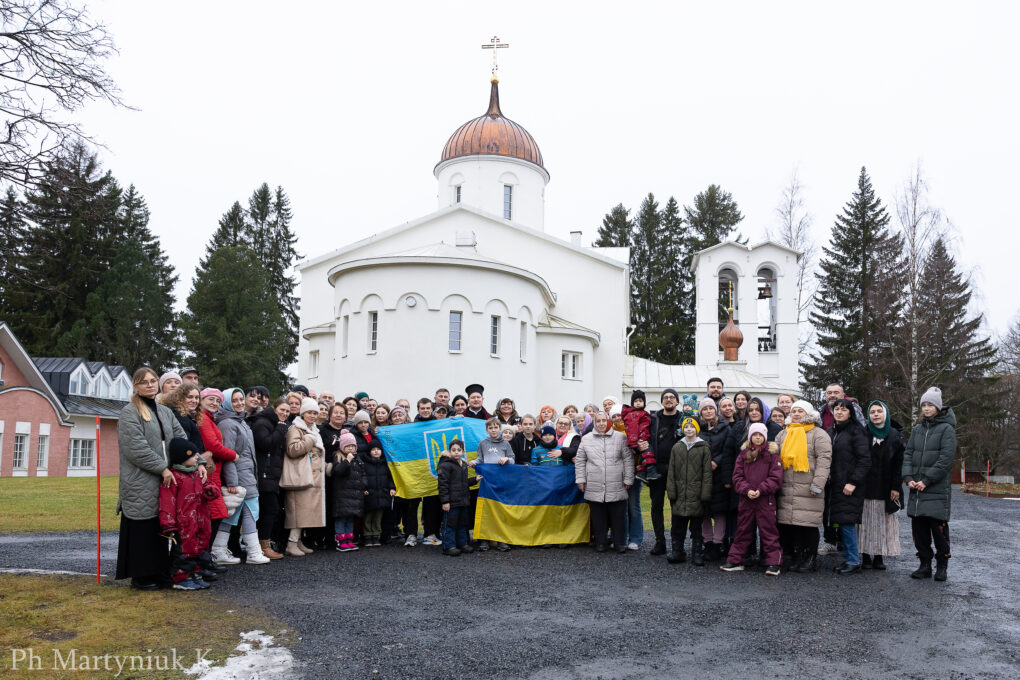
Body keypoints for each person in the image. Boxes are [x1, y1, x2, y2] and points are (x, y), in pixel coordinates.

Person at [116, 367, 193, 590]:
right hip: (140, 479)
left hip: (164, 478)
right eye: (144, 382)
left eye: (153, 380)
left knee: (161, 525)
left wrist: (192, 460)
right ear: (135, 386)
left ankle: (159, 571)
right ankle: (141, 575)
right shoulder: (129, 412)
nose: (150, 385)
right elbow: (135, 448)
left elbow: (180, 439)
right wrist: (162, 468)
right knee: (142, 527)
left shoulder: (165, 412)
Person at [903, 387, 956, 582]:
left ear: (938, 407)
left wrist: (926, 480)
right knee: (919, 530)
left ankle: (942, 565)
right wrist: (908, 478)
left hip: (935, 488)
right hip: (916, 487)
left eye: (930, 405)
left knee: (938, 530)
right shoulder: (917, 430)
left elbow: (945, 460)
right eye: (924, 405)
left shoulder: (947, 430)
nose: (926, 408)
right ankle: (924, 564)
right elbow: (908, 454)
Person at [775, 400, 832, 573]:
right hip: (786, 486)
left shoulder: (819, 434)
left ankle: (810, 558)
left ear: (809, 414)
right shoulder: (783, 434)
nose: (797, 414)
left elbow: (824, 461)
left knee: (807, 525)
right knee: (789, 525)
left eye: (801, 411)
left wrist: (818, 484)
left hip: (808, 487)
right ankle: (795, 556)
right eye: (794, 411)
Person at [214, 389, 269, 565]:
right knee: (248, 513)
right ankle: (252, 552)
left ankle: (219, 550)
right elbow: (229, 454)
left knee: (237, 513)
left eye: (241, 399)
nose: (239, 403)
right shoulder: (228, 424)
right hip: (239, 476)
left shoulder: (240, 421)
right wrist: (232, 481)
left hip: (247, 474)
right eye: (235, 400)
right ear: (228, 402)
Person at [720, 423, 783, 576]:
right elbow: (737, 476)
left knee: (768, 532)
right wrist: (746, 490)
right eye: (755, 435)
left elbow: (776, 478)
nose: (757, 437)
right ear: (750, 437)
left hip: (765, 500)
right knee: (742, 530)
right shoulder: (743, 455)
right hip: (746, 500)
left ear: (765, 437)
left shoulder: (772, 455)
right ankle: (736, 560)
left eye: (760, 435)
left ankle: (774, 563)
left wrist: (761, 489)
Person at [159, 438, 220, 590]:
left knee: (199, 547)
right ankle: (181, 578)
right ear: (183, 457)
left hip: (200, 520)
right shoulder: (175, 477)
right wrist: (168, 524)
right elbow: (167, 502)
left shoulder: (196, 474)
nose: (196, 458)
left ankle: (196, 573)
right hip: (184, 523)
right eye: (193, 456)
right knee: (184, 550)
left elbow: (210, 489)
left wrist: (210, 490)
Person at [575, 411, 633, 553]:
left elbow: (628, 459)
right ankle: (601, 543)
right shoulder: (586, 439)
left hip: (617, 482)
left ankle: (619, 543)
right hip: (594, 482)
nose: (601, 423)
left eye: (603, 420)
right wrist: (581, 479)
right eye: (598, 421)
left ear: (609, 422)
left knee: (618, 517)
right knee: (598, 516)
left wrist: (628, 478)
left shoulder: (620, 437)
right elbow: (580, 460)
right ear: (595, 423)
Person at [825, 398, 871, 575]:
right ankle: (848, 559)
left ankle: (853, 560)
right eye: (836, 409)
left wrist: (853, 482)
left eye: (843, 409)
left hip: (849, 485)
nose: (839, 412)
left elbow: (865, 460)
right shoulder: (830, 431)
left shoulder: (856, 432)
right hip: (834, 485)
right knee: (839, 521)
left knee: (847, 522)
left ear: (850, 412)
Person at [859, 400, 905, 570]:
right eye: (872, 412)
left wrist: (895, 487)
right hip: (865, 486)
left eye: (879, 411)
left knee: (881, 523)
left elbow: (899, 463)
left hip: (886, 487)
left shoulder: (894, 435)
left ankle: (879, 556)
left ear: (885, 413)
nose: (876, 414)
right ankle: (864, 555)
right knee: (864, 522)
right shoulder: (863, 433)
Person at [283, 398, 328, 557]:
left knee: (305, 511)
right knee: (298, 511)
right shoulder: (296, 428)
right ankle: (291, 543)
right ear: (303, 413)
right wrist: (309, 440)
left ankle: (298, 541)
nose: (313, 415)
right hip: (300, 476)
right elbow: (292, 449)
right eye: (310, 412)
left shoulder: (313, 429)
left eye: (315, 412)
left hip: (311, 476)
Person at [665, 417, 712, 565]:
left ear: (697, 429)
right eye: (686, 427)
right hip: (679, 494)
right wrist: (671, 492)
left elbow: (707, 473)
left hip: (696, 494)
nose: (689, 429)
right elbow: (671, 472)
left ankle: (697, 553)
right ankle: (677, 551)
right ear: (683, 429)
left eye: (692, 427)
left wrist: (705, 494)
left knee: (696, 528)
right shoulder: (677, 447)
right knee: (677, 526)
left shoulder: (703, 447)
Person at [642, 389, 683, 555]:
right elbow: (644, 436)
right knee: (656, 506)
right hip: (656, 469)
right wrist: (642, 444)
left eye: (672, 397)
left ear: (677, 401)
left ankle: (676, 542)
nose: (668, 400)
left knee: (676, 507)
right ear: (661, 401)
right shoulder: (653, 419)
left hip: (677, 470)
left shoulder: (683, 418)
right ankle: (660, 542)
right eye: (665, 398)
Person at [196, 388, 234, 560]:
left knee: (215, 515)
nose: (214, 403)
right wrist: (233, 455)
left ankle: (206, 556)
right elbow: (213, 445)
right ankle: (204, 557)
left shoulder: (209, 419)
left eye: (218, 401)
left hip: (213, 473)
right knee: (214, 514)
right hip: (208, 474)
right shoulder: (204, 419)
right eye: (210, 399)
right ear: (202, 400)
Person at [251, 397, 290, 560]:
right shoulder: (263, 423)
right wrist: (281, 430)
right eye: (282, 410)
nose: (285, 413)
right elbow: (265, 444)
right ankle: (262, 546)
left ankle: (261, 544)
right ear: (274, 409)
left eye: (287, 411)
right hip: (264, 474)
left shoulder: (274, 424)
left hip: (272, 474)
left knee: (269, 510)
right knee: (270, 509)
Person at [471, 417, 514, 552]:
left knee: (500, 509)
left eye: (496, 427)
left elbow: (513, 459)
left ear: (500, 429)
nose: (493, 430)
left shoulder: (506, 444)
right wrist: (474, 462)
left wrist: (507, 458)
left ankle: (501, 539)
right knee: (486, 510)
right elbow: (480, 459)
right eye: (491, 428)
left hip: (501, 482)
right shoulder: (483, 444)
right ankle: (484, 539)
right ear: (487, 430)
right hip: (487, 482)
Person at [698, 398, 732, 562]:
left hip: (719, 475)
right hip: (701, 477)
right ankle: (708, 543)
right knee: (704, 512)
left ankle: (718, 544)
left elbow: (728, 449)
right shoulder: (697, 430)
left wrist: (716, 461)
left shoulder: (725, 428)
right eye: (705, 409)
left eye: (712, 408)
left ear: (716, 411)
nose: (709, 411)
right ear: (701, 413)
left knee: (719, 512)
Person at [622, 391, 651, 550]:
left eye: (641, 401)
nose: (638, 403)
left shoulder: (646, 419)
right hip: (619, 472)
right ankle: (623, 536)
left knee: (633, 505)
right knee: (622, 507)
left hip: (635, 468)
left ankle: (636, 538)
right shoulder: (625, 420)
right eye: (636, 401)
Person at [438, 439, 475, 556]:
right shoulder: (445, 465)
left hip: (463, 501)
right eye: (453, 450)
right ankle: (449, 546)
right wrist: (445, 501)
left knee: (462, 523)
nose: (456, 452)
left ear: (463, 452)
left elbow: (463, 483)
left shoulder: (463, 464)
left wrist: (475, 480)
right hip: (451, 502)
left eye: (459, 450)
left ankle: (462, 544)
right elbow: (442, 485)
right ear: (449, 451)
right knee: (450, 524)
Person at [330, 431, 365, 552]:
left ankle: (349, 539)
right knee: (341, 518)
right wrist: (347, 461)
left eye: (352, 446)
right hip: (342, 495)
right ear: (342, 447)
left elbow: (362, 474)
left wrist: (364, 486)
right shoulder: (338, 456)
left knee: (350, 518)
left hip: (354, 495)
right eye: (348, 446)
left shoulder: (358, 458)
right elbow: (338, 471)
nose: (350, 448)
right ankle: (341, 541)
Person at [361, 441, 395, 547]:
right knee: (368, 517)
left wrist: (392, 488)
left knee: (378, 517)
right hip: (369, 494)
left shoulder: (385, 463)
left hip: (382, 494)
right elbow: (361, 477)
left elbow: (391, 477)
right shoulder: (364, 463)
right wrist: (363, 488)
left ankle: (376, 536)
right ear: (369, 451)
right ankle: (367, 536)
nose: (376, 451)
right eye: (373, 449)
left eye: (378, 449)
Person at [165, 383, 206, 456]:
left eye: (197, 398)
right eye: (190, 397)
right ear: (180, 398)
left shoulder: (188, 415)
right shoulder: (180, 417)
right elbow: (184, 445)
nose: (194, 401)